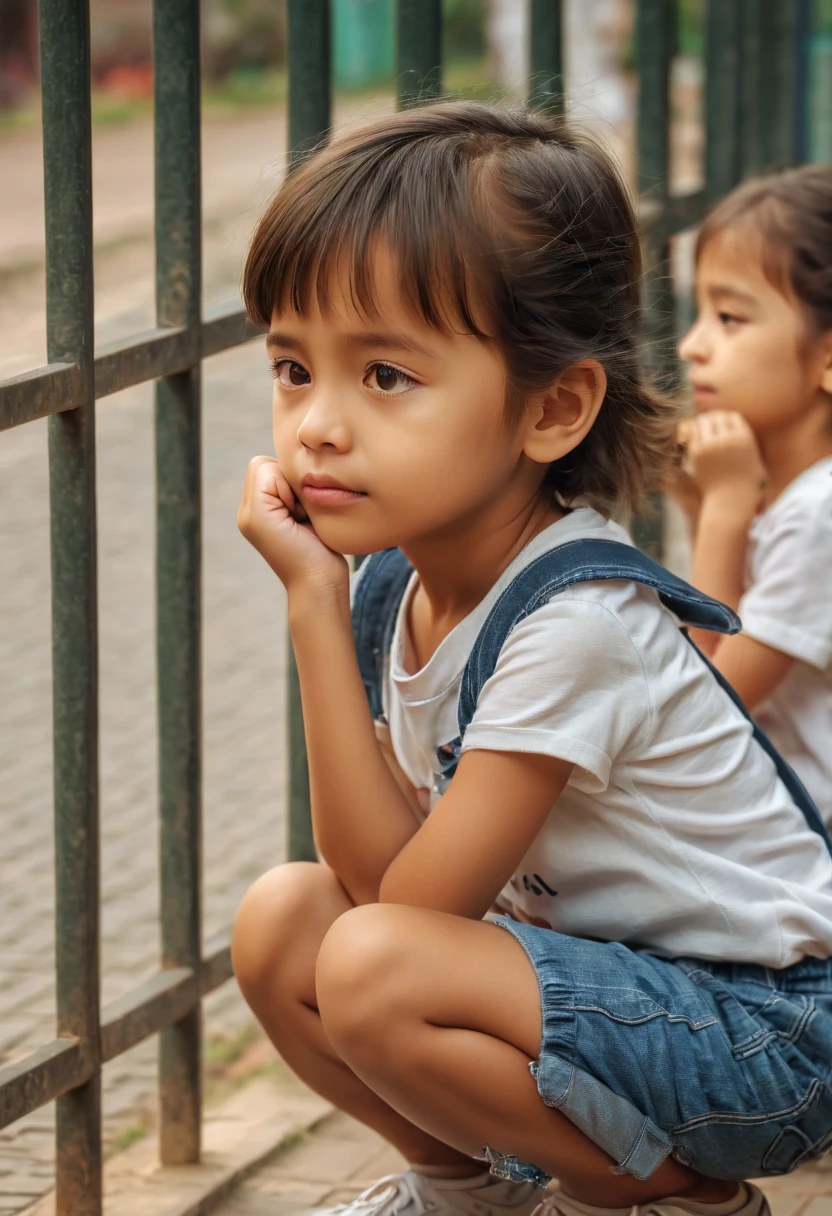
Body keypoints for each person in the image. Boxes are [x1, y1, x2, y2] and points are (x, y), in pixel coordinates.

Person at [231, 103, 832, 1216]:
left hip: (766, 1027)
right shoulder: (389, 585)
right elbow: (377, 891)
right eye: (291, 367)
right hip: (601, 992)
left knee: (368, 963)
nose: (314, 424)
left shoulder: (576, 619)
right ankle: (467, 1194)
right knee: (284, 925)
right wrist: (324, 602)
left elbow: (410, 906)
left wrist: (312, 612)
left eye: (385, 377)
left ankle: (670, 1199)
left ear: (551, 408)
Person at [674, 165, 832, 824]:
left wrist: (725, 508)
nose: (691, 347)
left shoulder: (820, 512)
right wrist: (700, 500)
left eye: (730, 318)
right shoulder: (797, 497)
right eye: (700, 313)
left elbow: (699, 714)